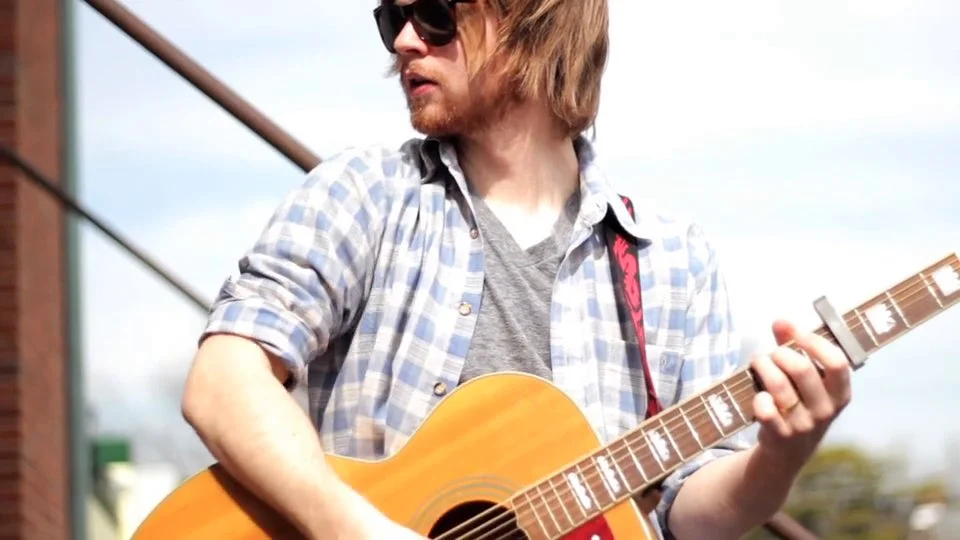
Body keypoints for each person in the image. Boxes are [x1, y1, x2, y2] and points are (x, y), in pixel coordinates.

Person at [180, 0, 853, 538]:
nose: (405, 42)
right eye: (393, 17)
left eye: (436, 15)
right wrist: (353, 527)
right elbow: (222, 384)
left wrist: (781, 456)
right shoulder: (363, 194)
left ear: (536, 20)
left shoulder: (673, 259)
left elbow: (687, 515)